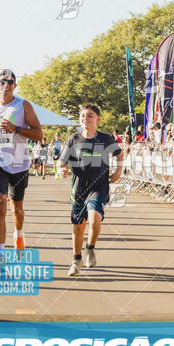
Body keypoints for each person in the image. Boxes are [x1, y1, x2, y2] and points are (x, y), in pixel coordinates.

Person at [58, 103, 123, 276]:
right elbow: (61, 161)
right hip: (79, 188)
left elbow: (119, 153)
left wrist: (118, 169)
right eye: (83, 116)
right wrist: (61, 169)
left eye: (90, 115)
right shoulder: (74, 139)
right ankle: (76, 260)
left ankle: (90, 248)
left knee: (95, 218)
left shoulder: (106, 139)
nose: (85, 119)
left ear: (97, 119)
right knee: (78, 227)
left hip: (99, 186)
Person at [0, 69, 43, 250]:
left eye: (10, 82)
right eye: (2, 82)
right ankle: (0, 254)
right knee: (0, 205)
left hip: (19, 163)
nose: (6, 86)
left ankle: (19, 234)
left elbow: (39, 134)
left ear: (15, 86)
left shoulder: (23, 106)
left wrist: (16, 128)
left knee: (17, 209)